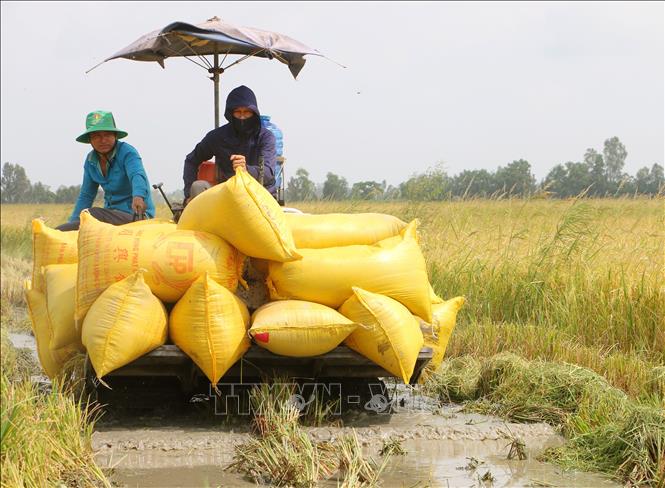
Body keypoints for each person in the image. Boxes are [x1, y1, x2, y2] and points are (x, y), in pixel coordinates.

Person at [57, 110, 155, 231]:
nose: (103, 140)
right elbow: (86, 195)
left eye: (107, 135)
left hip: (135, 215)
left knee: (93, 214)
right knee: (63, 228)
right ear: (90, 139)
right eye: (97, 136)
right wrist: (74, 224)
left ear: (115, 136)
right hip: (111, 214)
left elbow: (137, 175)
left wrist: (138, 196)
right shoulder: (91, 161)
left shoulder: (128, 152)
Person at [183, 85, 277, 202]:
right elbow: (191, 160)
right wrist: (188, 195)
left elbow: (269, 173)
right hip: (228, 195)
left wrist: (246, 169)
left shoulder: (265, 137)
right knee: (198, 187)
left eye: (247, 112)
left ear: (254, 113)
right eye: (238, 112)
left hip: (260, 195)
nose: (242, 117)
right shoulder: (218, 137)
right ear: (231, 113)